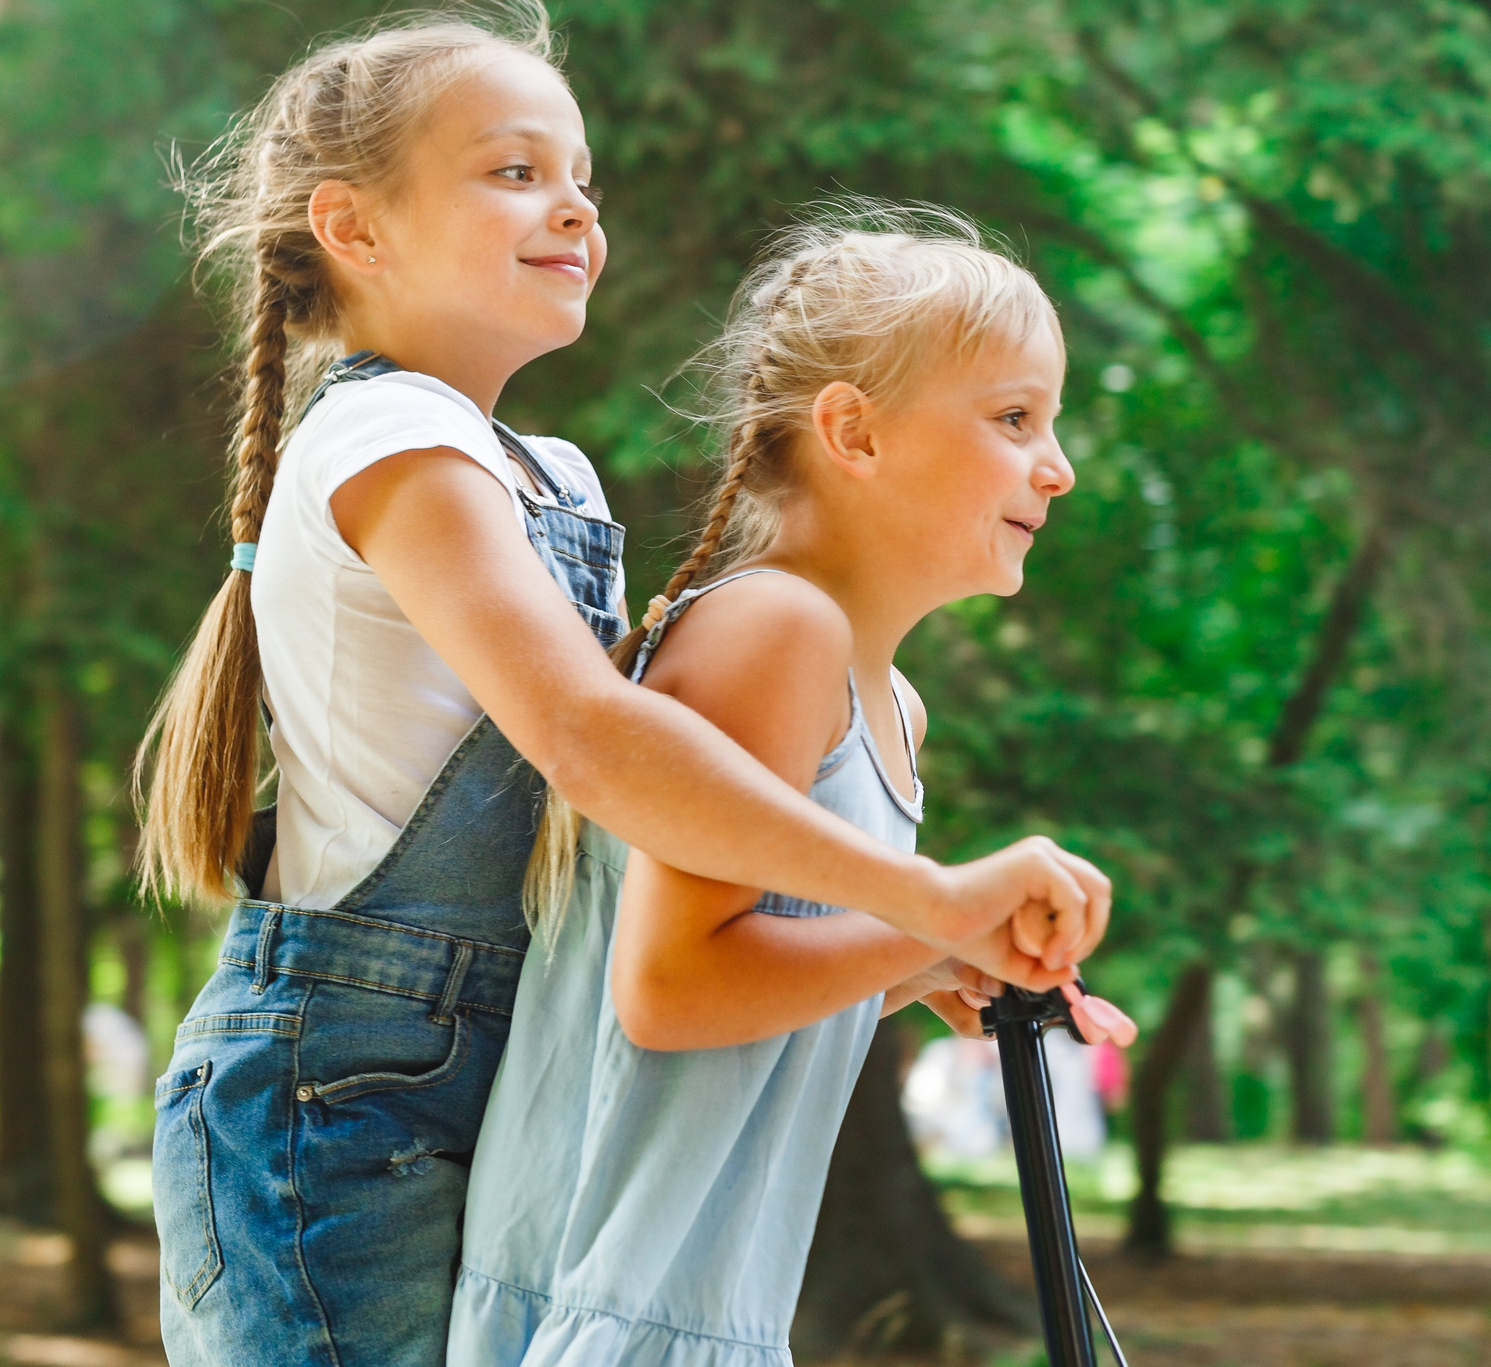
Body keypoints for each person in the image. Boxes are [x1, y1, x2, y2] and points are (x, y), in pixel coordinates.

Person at [134, 0, 1111, 1367]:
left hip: (464, 1076)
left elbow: (626, 893)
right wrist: (922, 896)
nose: (576, 207)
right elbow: (592, 742)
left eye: (582, 178)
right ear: (351, 227)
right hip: (331, 1093)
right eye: (514, 172)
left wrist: (914, 949)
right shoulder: (387, 440)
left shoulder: (548, 480)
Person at [448, 204, 1096, 1367]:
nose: (1057, 466)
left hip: (698, 1312)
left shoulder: (888, 704)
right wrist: (930, 918)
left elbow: (730, 1008)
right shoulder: (775, 632)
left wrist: (928, 960)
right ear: (852, 431)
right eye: (1013, 419)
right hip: (614, 1311)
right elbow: (669, 990)